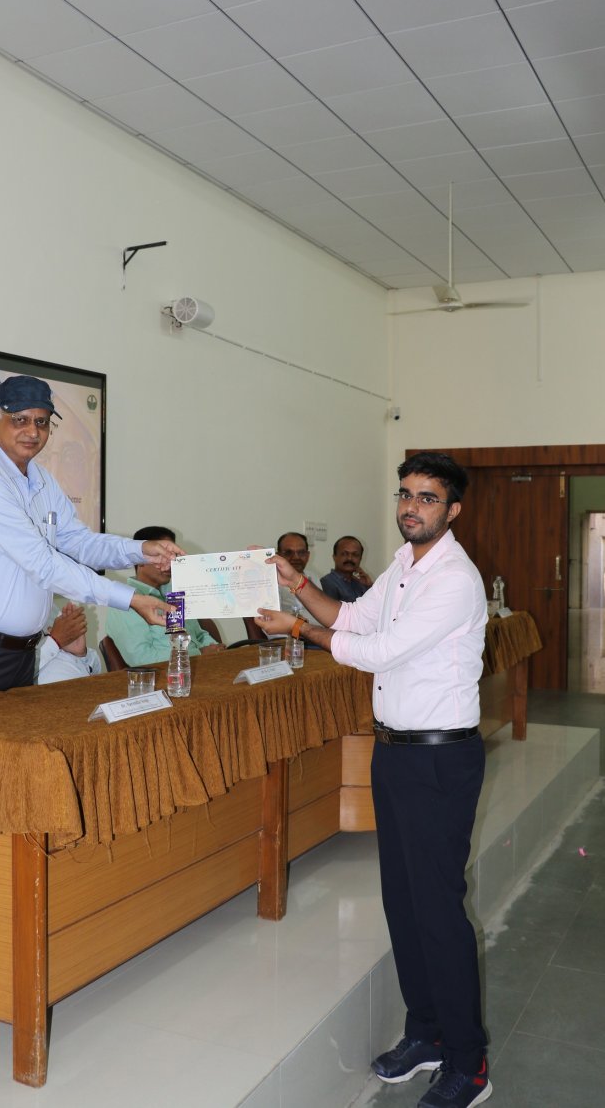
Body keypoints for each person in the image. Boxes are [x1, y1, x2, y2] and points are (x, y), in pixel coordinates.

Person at [254, 453, 491, 1108]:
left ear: (453, 510)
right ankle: (429, 1033)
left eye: (427, 498)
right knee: (404, 903)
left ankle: (469, 1063)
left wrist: (299, 629)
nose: (412, 506)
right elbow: (355, 618)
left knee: (439, 911)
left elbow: (382, 651)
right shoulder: (403, 565)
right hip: (395, 755)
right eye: (406, 494)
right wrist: (298, 585)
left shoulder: (454, 580)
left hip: (440, 761)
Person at [0, 375, 181, 704]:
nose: (32, 432)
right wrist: (132, 599)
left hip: (22, 656)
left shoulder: (41, 479)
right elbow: (45, 565)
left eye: (41, 422)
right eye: (20, 420)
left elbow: (79, 542)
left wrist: (143, 551)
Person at [106, 526, 224, 666]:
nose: (169, 564)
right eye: (161, 556)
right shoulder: (125, 602)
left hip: (203, 667)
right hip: (166, 678)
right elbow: (142, 659)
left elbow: (199, 634)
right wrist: (200, 654)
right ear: (139, 559)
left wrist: (216, 648)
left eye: (172, 556)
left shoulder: (176, 593)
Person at [36, 602, 100, 684]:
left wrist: (81, 655)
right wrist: (54, 642)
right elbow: (17, 676)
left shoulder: (46, 604)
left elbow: (95, 668)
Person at [320, 535, 372, 602]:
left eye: (355, 555)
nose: (349, 558)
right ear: (334, 557)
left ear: (360, 559)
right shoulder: (328, 583)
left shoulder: (361, 583)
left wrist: (369, 586)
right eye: (344, 554)